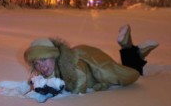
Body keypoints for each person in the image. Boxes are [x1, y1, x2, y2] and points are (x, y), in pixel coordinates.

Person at [24, 24, 159, 94]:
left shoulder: (72, 67)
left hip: (95, 61)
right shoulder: (51, 68)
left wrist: (59, 92)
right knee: (119, 68)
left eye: (44, 59)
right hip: (82, 52)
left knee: (127, 74)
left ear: (54, 56)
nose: (41, 67)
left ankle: (131, 49)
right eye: (36, 63)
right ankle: (133, 50)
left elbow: (78, 84)